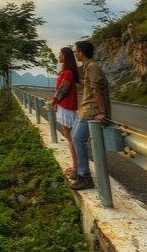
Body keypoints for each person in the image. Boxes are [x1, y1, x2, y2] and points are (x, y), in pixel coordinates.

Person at [69, 40, 112, 191]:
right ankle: (81, 173)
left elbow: (96, 89)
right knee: (75, 137)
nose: (74, 54)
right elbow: (89, 85)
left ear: (81, 52)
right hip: (85, 109)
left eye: (75, 51)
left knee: (77, 139)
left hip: (91, 110)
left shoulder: (92, 67)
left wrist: (102, 112)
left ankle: (85, 177)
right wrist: (76, 80)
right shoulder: (89, 67)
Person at [50, 47, 79, 176]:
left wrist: (53, 101)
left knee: (71, 138)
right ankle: (75, 165)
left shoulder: (68, 72)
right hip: (64, 106)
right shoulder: (66, 71)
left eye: (60, 54)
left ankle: (75, 167)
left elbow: (63, 89)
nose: (58, 56)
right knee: (70, 138)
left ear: (65, 56)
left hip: (67, 107)